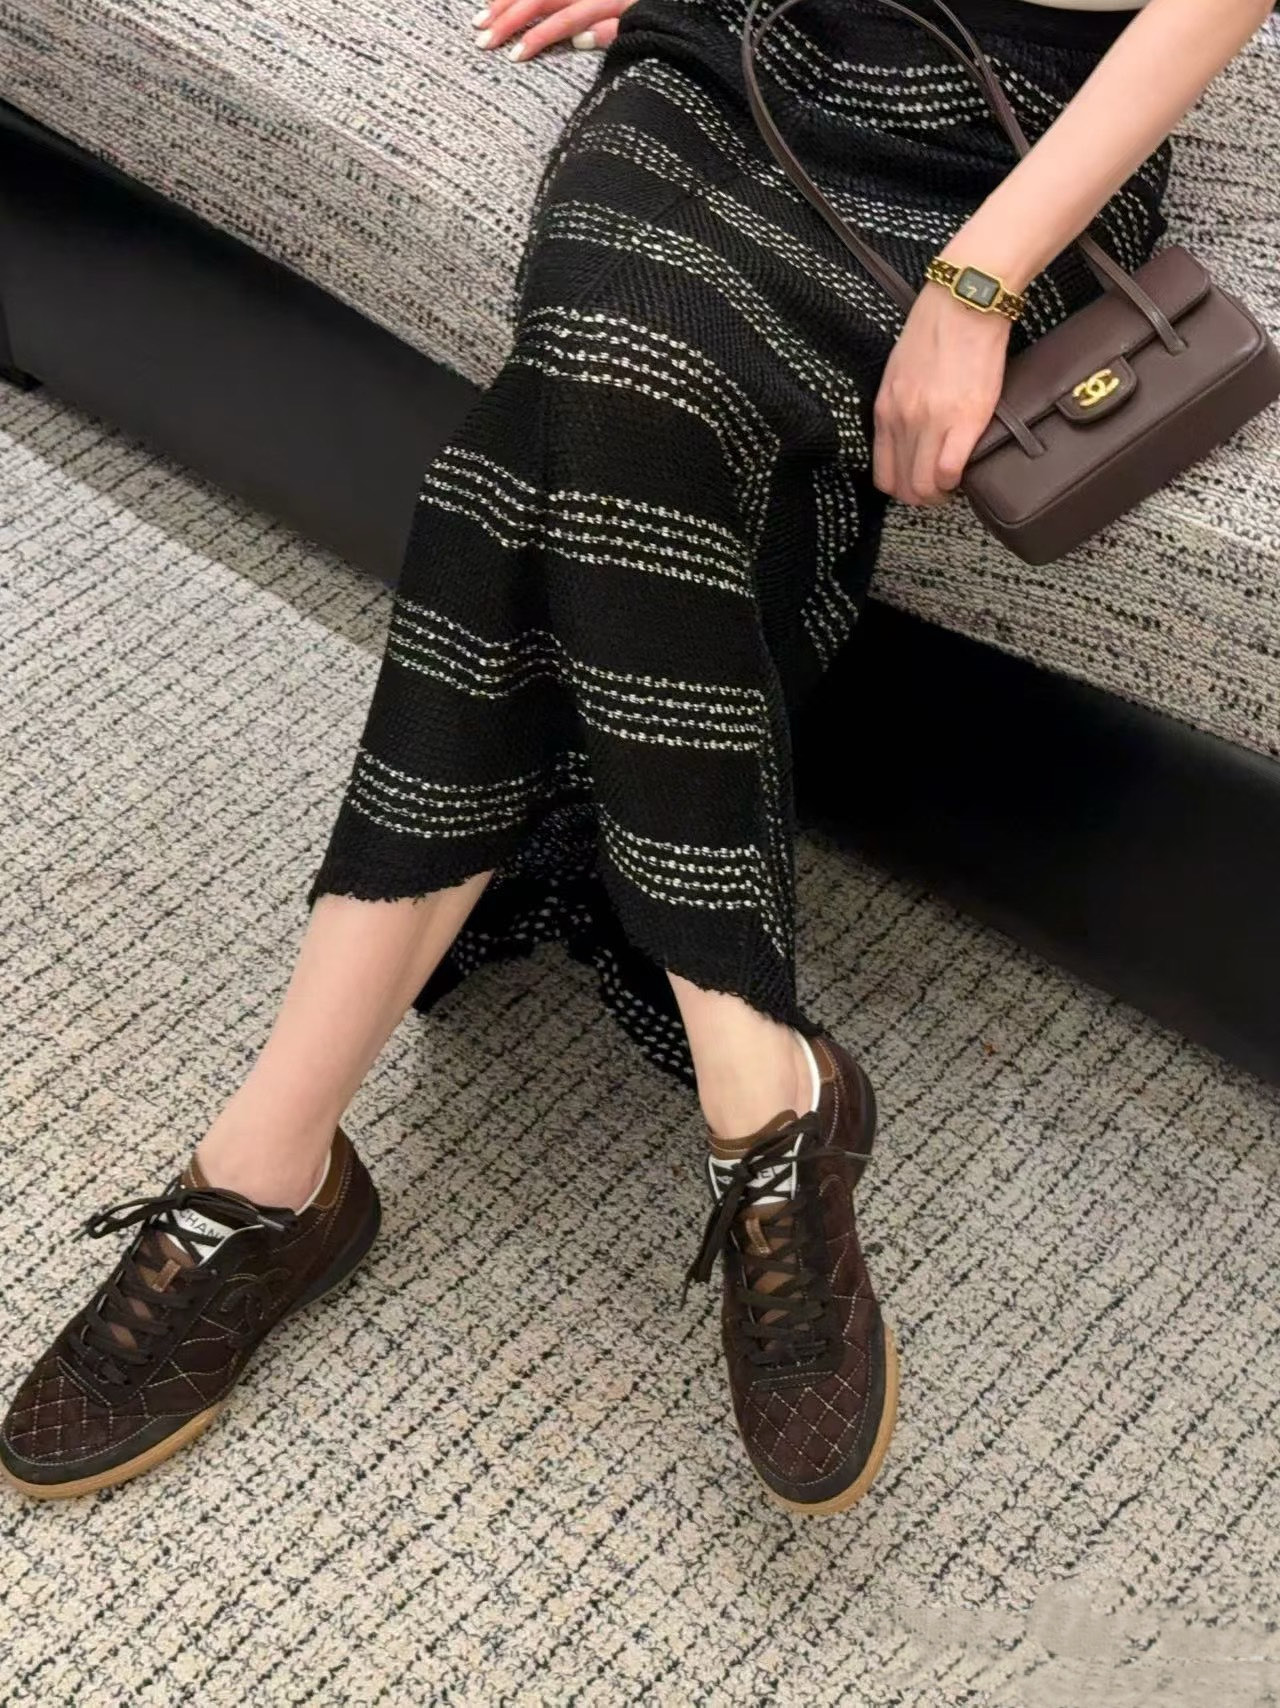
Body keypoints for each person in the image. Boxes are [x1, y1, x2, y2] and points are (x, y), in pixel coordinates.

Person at [2, 0, 1269, 1513]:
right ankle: (762, 1101)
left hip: (1005, 133)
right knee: (605, 361)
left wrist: (981, 276)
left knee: (555, 443)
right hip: (740, 45)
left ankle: (267, 1177)